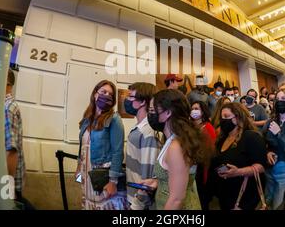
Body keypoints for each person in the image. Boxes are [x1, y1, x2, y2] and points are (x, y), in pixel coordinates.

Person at [141, 89, 211, 210]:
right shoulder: (171, 140)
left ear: (168, 113)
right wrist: (158, 182)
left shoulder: (176, 147)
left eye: (152, 110)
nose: (149, 115)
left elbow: (177, 199)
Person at [76, 80, 128, 210]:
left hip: (102, 175)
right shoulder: (87, 118)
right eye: (103, 92)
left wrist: (113, 181)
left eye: (110, 94)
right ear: (95, 94)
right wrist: (78, 167)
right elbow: (82, 146)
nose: (106, 95)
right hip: (86, 172)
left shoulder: (114, 119)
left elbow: (118, 152)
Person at [206, 103, 267, 210]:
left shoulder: (251, 137)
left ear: (237, 118)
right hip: (225, 195)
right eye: (221, 117)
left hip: (244, 196)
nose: (223, 120)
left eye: (226, 116)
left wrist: (238, 172)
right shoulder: (222, 139)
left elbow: (261, 167)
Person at [124, 82, 160, 210]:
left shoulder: (148, 131)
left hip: (140, 203)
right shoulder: (139, 127)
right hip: (132, 196)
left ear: (143, 102)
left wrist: (138, 203)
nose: (127, 100)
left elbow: (148, 176)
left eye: (131, 97)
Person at [5, 69, 29, 207]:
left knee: (13, 204)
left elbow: (11, 151)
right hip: (10, 178)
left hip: (10, 181)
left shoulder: (8, 108)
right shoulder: (7, 106)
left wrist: (8, 189)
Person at [190, 101, 216, 209]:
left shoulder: (208, 127)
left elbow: (210, 150)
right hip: (191, 165)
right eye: (192, 108)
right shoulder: (190, 126)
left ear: (203, 111)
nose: (193, 111)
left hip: (202, 166)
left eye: (197, 108)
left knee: (202, 199)